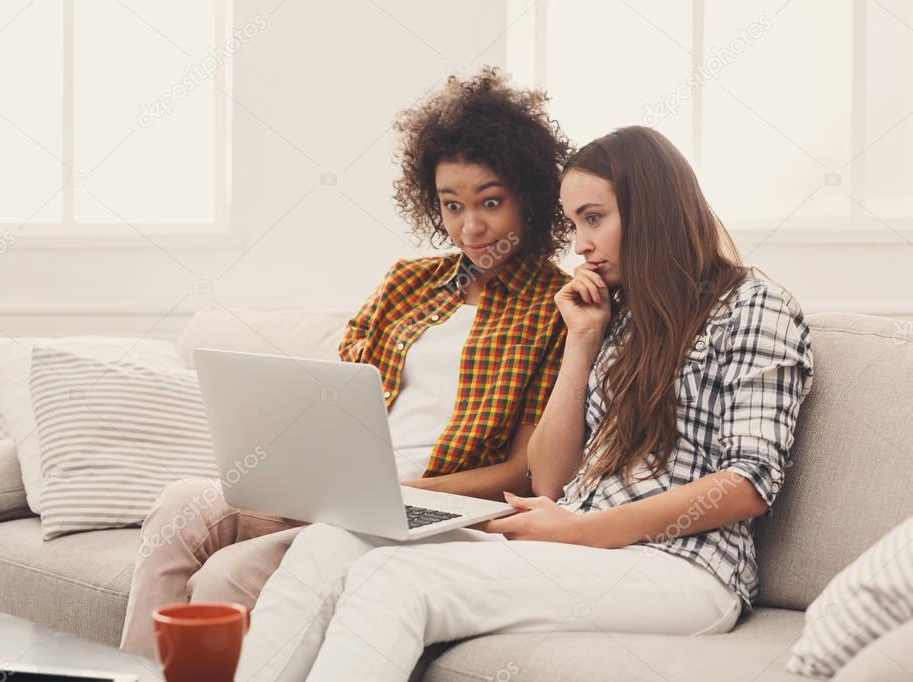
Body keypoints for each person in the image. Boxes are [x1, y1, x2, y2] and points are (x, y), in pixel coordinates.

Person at [232, 125, 815, 681]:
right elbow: (551, 479)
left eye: (594, 218)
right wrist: (583, 341)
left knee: (393, 578)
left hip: (686, 569)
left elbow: (749, 482)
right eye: (573, 222)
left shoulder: (753, 306)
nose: (580, 244)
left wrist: (585, 532)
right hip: (581, 540)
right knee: (330, 541)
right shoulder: (614, 314)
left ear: (654, 209)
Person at [119, 67, 574, 656]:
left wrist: (406, 488)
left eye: (491, 202)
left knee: (222, 581)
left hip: (431, 507)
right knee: (181, 502)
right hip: (338, 490)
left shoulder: (555, 308)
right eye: (451, 205)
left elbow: (525, 473)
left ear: (530, 197)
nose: (471, 227)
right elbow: (335, 398)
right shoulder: (407, 284)